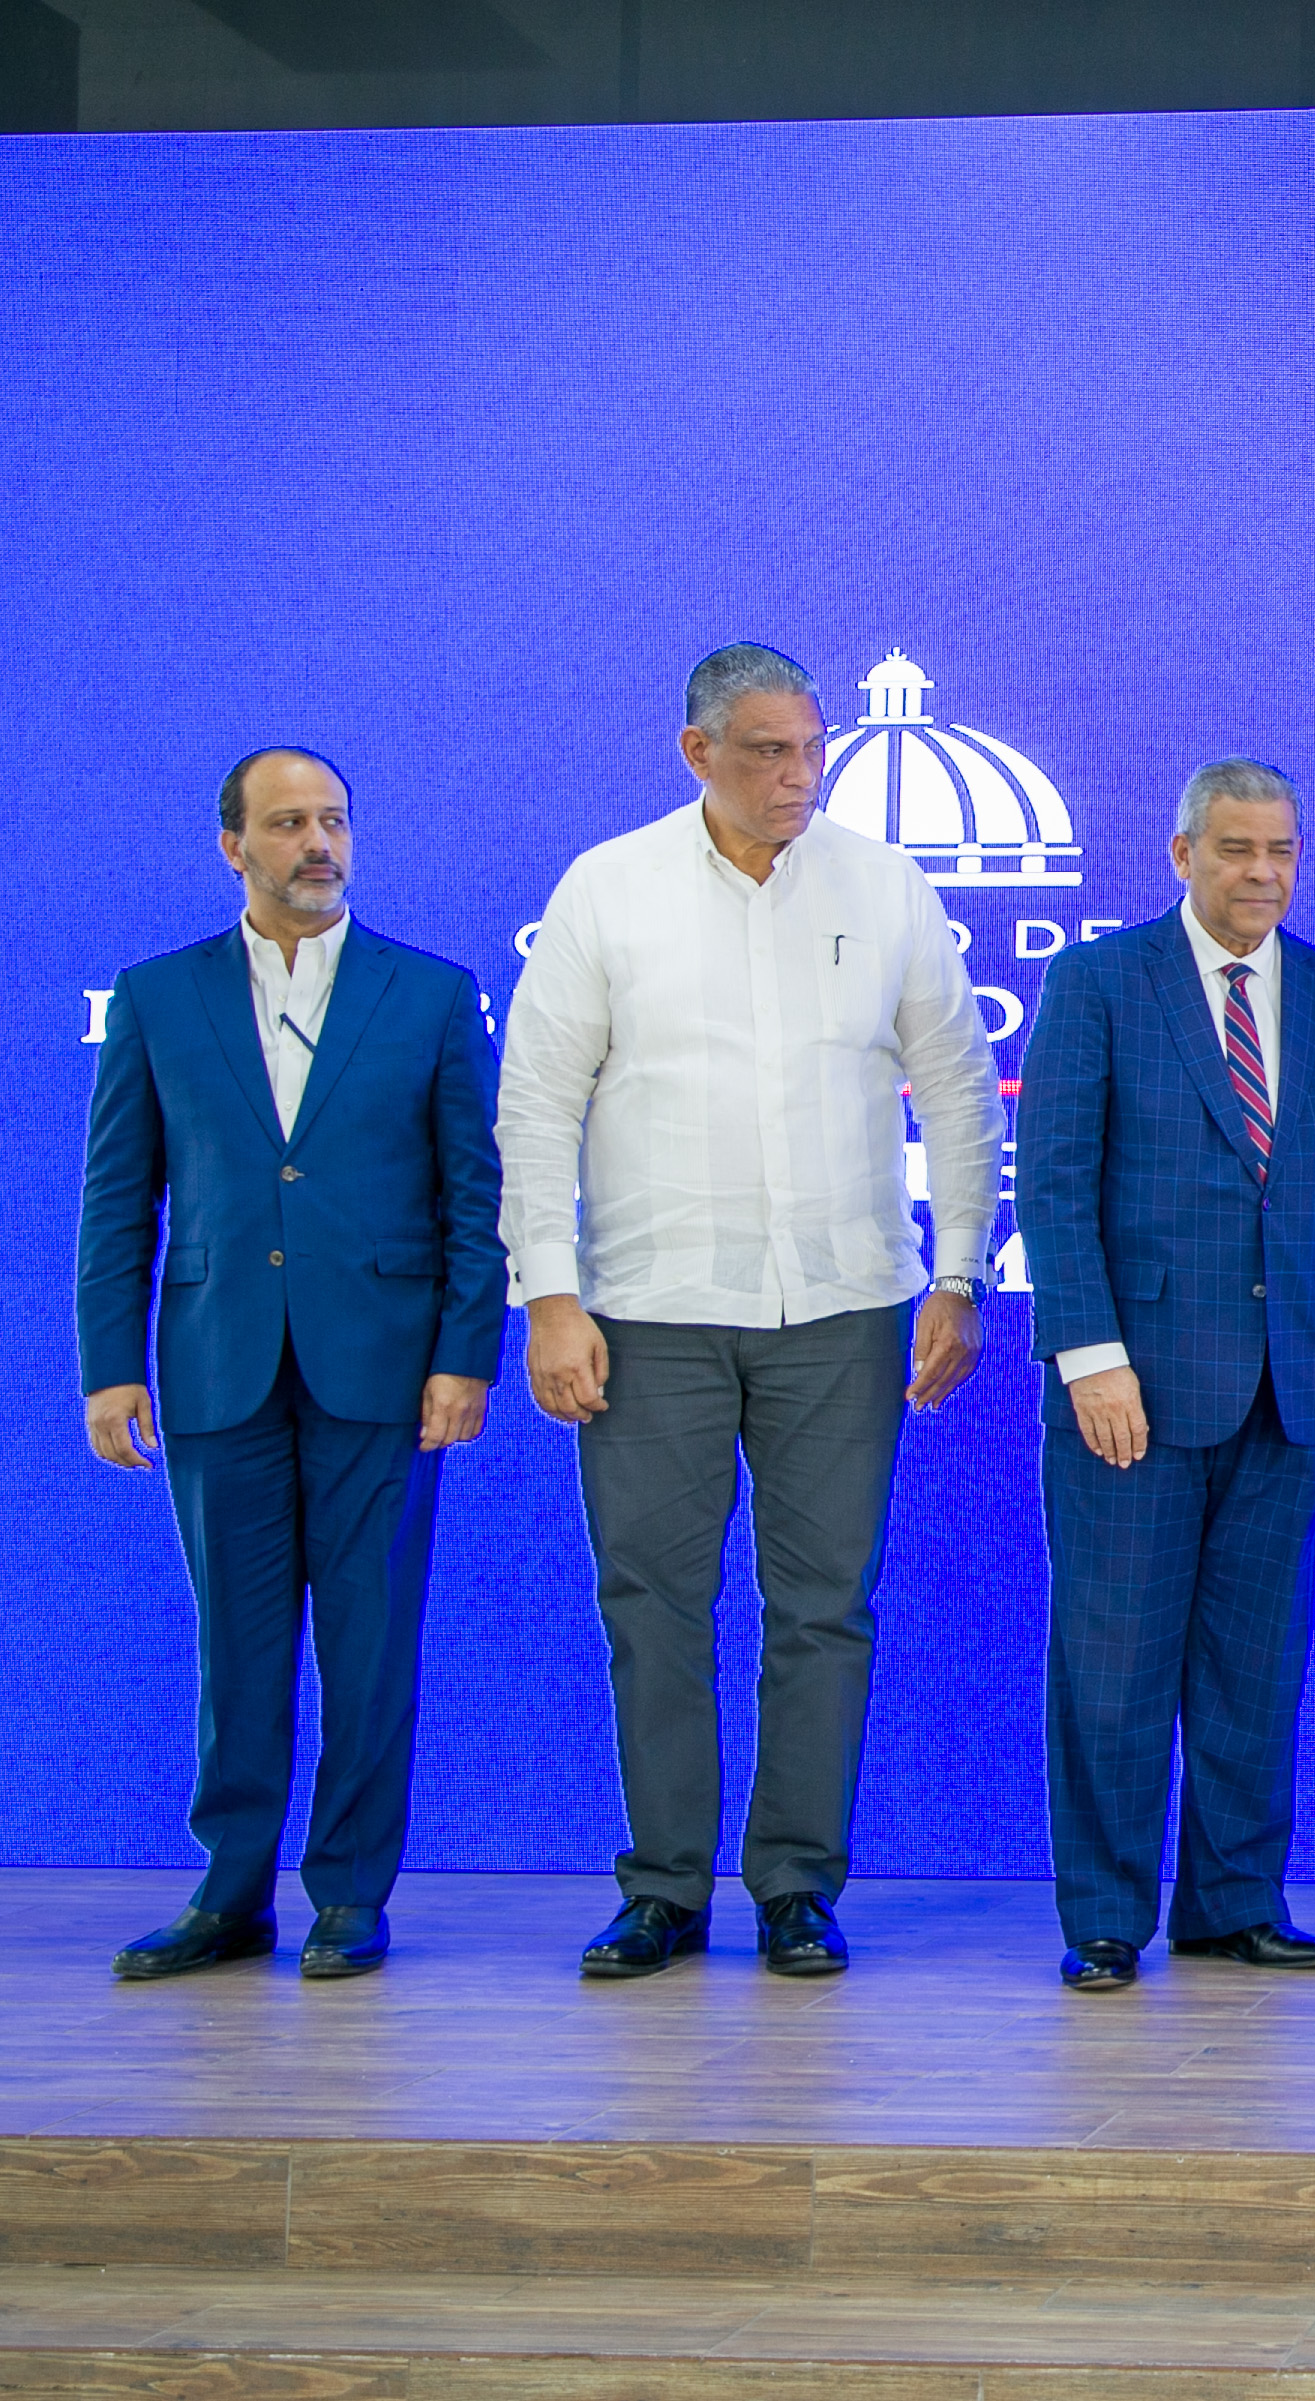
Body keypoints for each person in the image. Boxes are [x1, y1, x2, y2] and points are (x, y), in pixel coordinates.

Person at [497, 643, 1003, 1981]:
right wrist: (549, 1293)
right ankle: (664, 1889)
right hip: (649, 1308)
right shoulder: (607, 887)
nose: (799, 775)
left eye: (811, 748)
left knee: (824, 1608)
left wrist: (958, 1271)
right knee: (653, 1603)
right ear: (697, 752)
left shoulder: (884, 884)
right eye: (769, 750)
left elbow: (959, 1085)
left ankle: (795, 1886)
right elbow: (537, 1102)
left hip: (843, 1304)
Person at [75, 747, 505, 1983]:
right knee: (239, 1646)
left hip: (385, 1369)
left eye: (333, 821)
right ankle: (230, 1895)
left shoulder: (430, 993)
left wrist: (464, 1354)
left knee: (370, 1645)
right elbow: (118, 1198)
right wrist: (110, 1363)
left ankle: (350, 1893)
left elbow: (476, 1196)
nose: (318, 843)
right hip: (217, 1364)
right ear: (234, 845)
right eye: (287, 823)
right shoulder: (157, 996)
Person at [1018, 759, 1315, 1992]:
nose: (1261, 872)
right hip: (1129, 1391)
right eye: (1236, 848)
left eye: (1280, 850)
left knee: (1256, 1666)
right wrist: (1090, 1357)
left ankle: (1234, 1903)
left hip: (1291, 1391)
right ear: (1181, 853)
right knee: (1113, 1664)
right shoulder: (1098, 981)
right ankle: (1104, 1917)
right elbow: (1054, 1187)